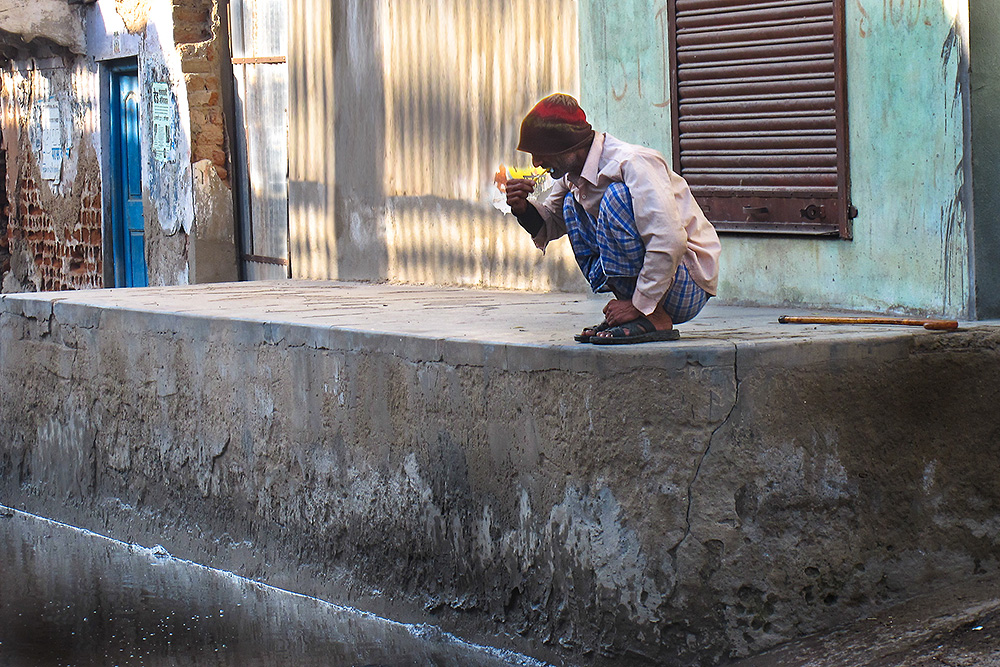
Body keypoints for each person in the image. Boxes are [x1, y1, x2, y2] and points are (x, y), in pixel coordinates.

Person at [505, 93, 721, 344]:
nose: (537, 163)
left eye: (542, 153)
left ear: (568, 147)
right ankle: (634, 309)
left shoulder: (631, 163)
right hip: (655, 286)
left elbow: (669, 240)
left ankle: (652, 315)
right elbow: (550, 223)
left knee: (615, 197)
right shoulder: (571, 176)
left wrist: (640, 304)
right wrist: (522, 208)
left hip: (688, 283)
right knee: (570, 205)